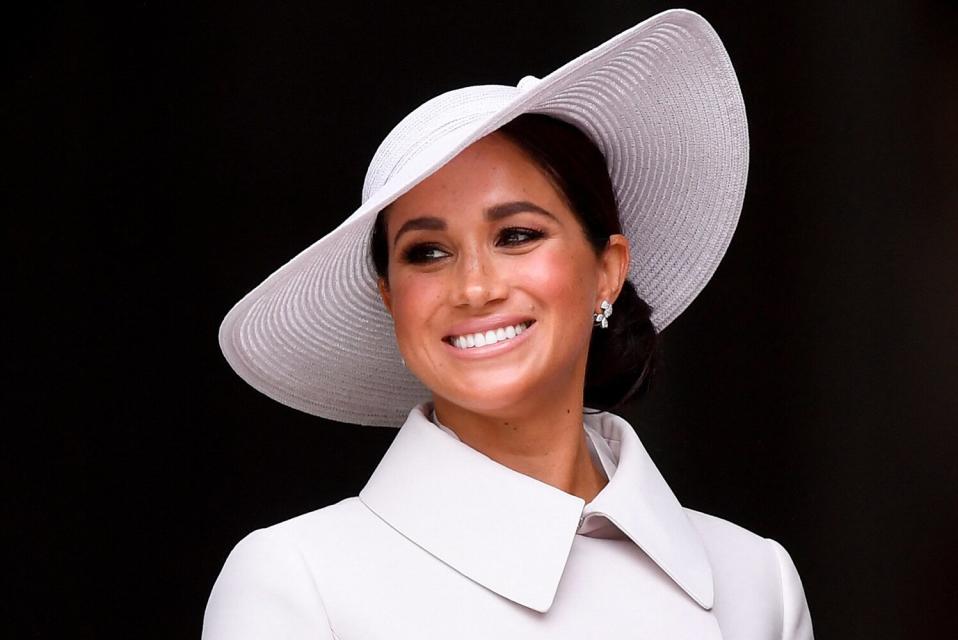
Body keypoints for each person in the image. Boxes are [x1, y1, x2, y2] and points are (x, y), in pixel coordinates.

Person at [204, 8, 814, 639]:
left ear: (607, 269)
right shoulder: (298, 584)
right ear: (391, 299)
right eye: (427, 252)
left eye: (517, 235)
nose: (474, 287)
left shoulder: (754, 583)